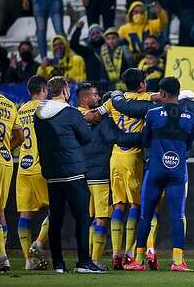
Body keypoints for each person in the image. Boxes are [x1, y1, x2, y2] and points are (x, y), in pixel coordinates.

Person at [124, 77, 194, 272]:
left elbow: (146, 141)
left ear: (163, 94)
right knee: (177, 217)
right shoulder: (191, 117)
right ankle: (178, 261)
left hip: (155, 170)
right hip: (177, 172)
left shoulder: (153, 113)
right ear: (178, 93)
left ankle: (139, 261)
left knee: (145, 216)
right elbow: (189, 144)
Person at [33, 76, 102, 273]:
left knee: (56, 219)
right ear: (64, 91)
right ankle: (83, 262)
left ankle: (58, 264)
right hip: (73, 173)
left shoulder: (38, 114)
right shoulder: (71, 113)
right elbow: (86, 138)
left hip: (52, 174)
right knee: (82, 217)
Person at [77, 85, 142, 270]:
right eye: (94, 95)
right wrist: (143, 136)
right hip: (100, 175)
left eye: (99, 95)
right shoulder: (103, 120)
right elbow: (118, 138)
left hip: (83, 174)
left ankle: (87, 257)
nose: (97, 99)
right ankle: (96, 260)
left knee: (91, 219)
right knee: (103, 217)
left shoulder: (77, 116)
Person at [97, 68, 152, 269]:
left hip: (115, 156)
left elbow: (96, 114)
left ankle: (116, 255)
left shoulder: (113, 101)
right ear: (141, 85)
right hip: (133, 156)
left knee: (118, 205)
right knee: (135, 205)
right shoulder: (144, 97)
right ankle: (130, 252)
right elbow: (161, 98)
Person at [16, 76, 50, 271]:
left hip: (22, 168)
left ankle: (29, 260)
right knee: (57, 209)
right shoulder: (45, 108)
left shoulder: (21, 109)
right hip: (41, 167)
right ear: (44, 88)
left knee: (25, 214)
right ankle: (38, 242)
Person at [0, 69, 25, 272]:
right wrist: (6, 148)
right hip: (5, 160)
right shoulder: (8, 104)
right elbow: (20, 136)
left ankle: (1, 257)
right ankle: (2, 256)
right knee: (0, 210)